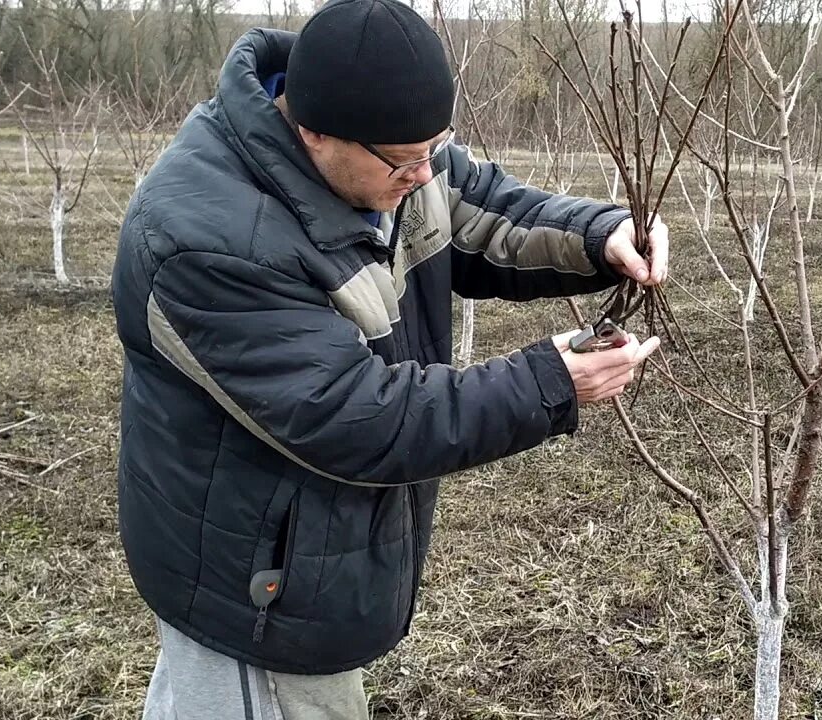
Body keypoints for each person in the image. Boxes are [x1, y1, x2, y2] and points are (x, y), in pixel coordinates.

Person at [110, 0, 668, 718]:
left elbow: (481, 207)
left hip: (317, 562)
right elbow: (352, 418)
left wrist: (602, 234)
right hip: (251, 591)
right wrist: (548, 382)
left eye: (436, 146)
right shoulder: (202, 241)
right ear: (312, 129)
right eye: (406, 160)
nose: (425, 172)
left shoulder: (386, 154)